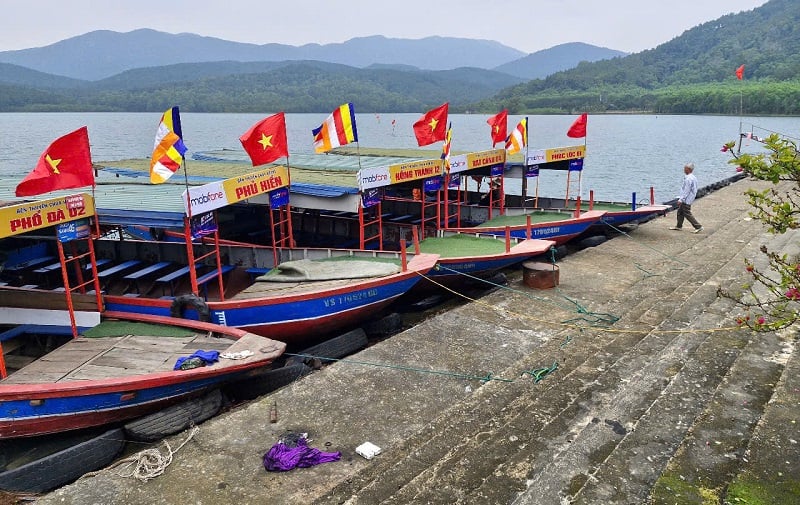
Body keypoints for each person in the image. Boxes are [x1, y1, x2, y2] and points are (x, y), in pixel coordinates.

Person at [670, 162, 703, 233]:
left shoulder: (688, 179)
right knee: (680, 212)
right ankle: (679, 226)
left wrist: (681, 199)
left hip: (687, 199)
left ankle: (698, 226)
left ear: (688, 169)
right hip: (689, 197)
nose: (684, 170)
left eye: (685, 168)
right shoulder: (693, 177)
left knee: (687, 213)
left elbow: (686, 190)